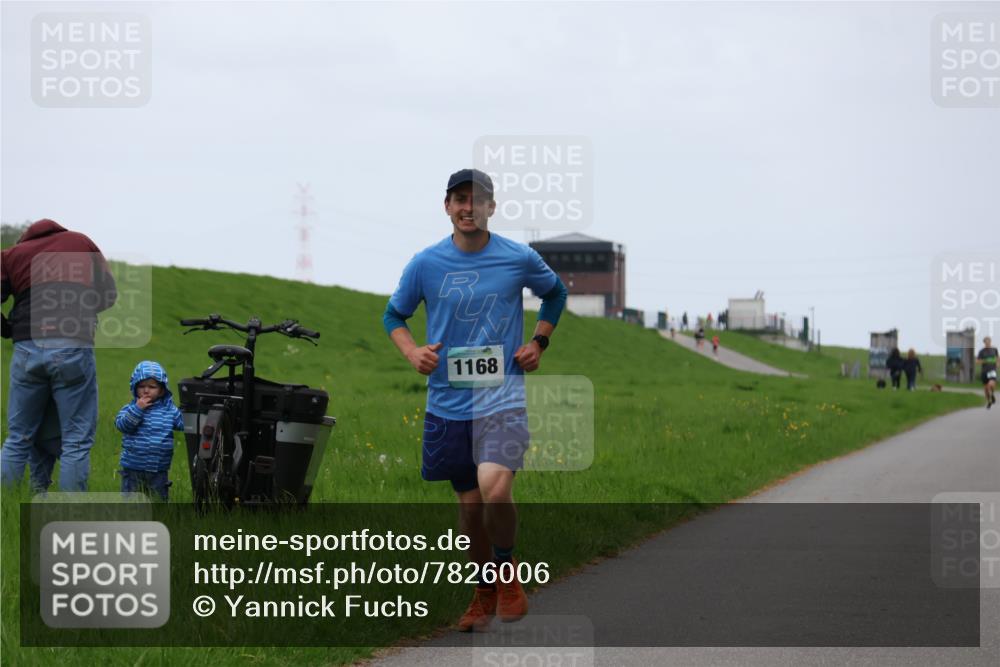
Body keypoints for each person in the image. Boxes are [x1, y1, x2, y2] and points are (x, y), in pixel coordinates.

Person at [383, 168, 567, 632]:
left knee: (496, 488)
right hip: (447, 404)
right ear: (447, 207)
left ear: (492, 206)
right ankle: (483, 590)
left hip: (501, 398)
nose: (469, 207)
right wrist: (412, 352)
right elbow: (393, 314)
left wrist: (538, 343)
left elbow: (555, 293)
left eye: (478, 199)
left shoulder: (517, 257)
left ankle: (507, 574)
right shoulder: (425, 264)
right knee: (469, 508)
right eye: (459, 199)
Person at [1, 219, 117, 491]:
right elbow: (108, 294)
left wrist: (6, 328)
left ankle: (4, 508)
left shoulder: (12, 254)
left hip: (27, 347)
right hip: (73, 345)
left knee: (18, 437)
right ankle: (72, 512)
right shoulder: (80, 242)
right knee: (76, 439)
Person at [114, 361, 184, 500]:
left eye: (152, 387)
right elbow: (122, 425)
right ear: (134, 387)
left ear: (162, 390)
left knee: (158, 500)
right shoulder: (130, 408)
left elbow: (184, 424)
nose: (146, 390)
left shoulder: (169, 410)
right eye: (141, 386)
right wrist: (137, 409)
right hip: (133, 466)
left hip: (159, 467)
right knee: (131, 501)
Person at [977, 336, 997, 409]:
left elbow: (997, 358)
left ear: (990, 342)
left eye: (989, 342)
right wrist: (985, 360)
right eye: (986, 342)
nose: (988, 343)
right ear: (984, 343)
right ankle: (989, 401)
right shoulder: (982, 351)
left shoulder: (994, 350)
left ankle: (992, 394)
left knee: (991, 384)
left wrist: (997, 364)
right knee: (985, 388)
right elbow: (977, 361)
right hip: (984, 371)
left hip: (992, 370)